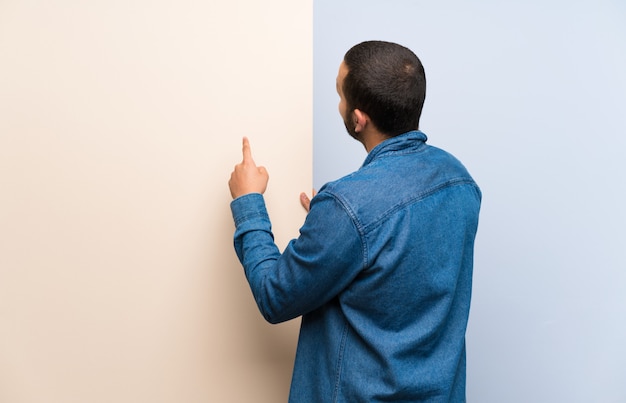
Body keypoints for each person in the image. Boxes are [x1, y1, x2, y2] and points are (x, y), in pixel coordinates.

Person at [228, 40, 481, 402]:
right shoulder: (460, 181)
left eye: (339, 95)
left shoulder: (349, 207)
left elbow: (275, 296)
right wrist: (338, 228)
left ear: (358, 118)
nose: (338, 105)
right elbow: (405, 263)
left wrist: (248, 201)